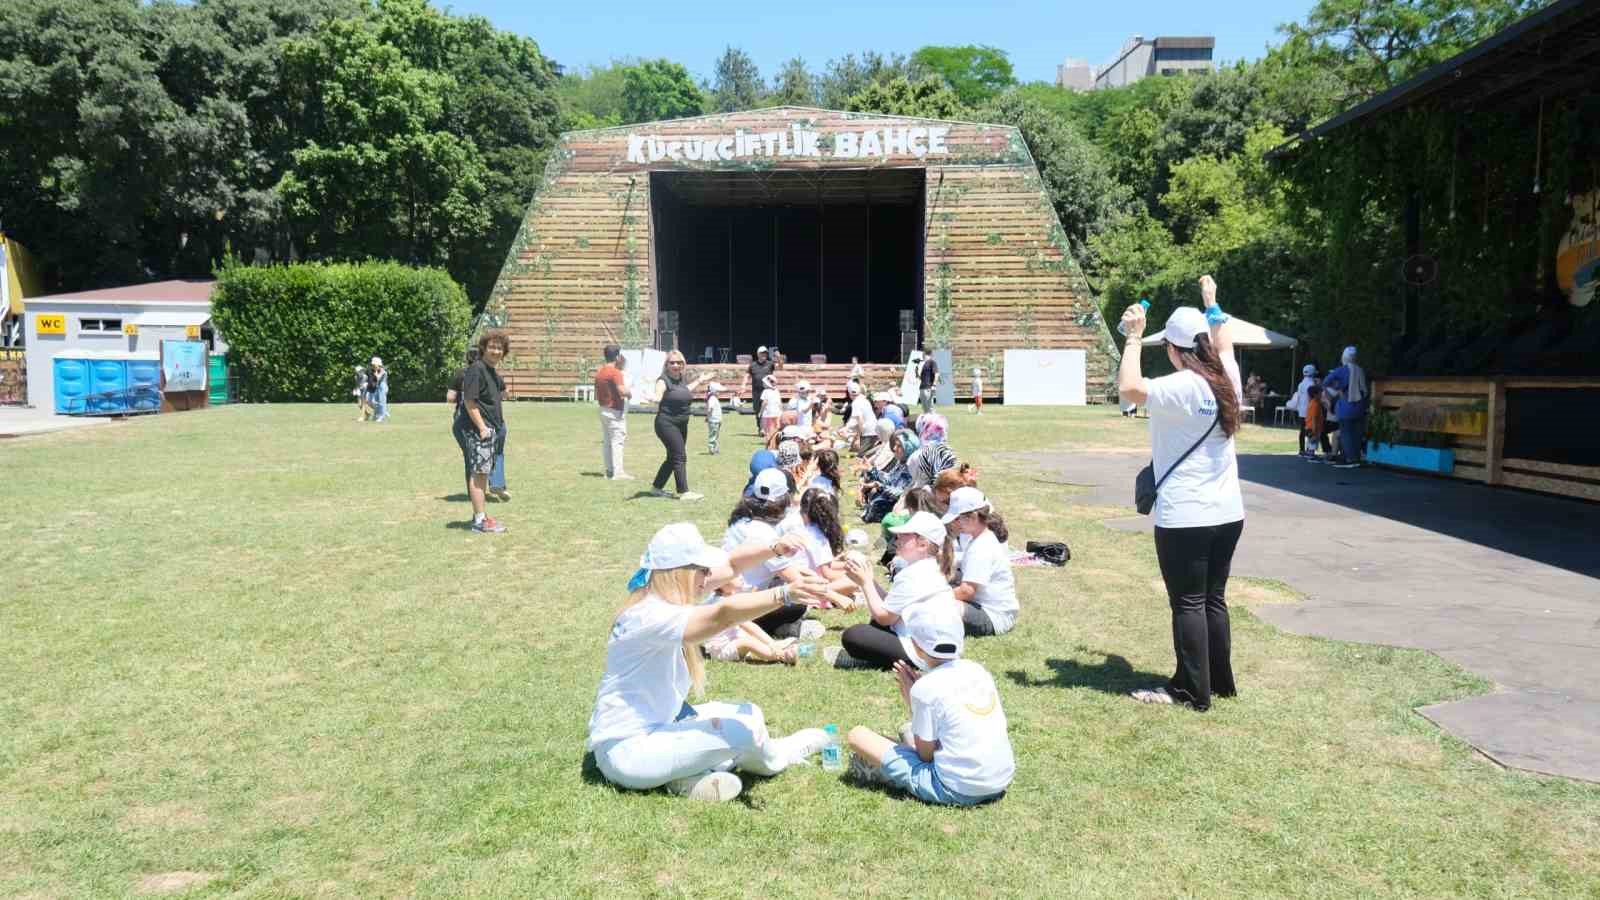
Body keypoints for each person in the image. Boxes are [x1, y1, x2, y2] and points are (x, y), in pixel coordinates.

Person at [586, 522, 832, 802]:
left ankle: (684, 778)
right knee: (743, 732)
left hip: (654, 731)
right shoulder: (650, 615)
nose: (708, 576)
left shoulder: (655, 595)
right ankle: (782, 755)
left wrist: (774, 548)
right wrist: (784, 593)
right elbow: (722, 615)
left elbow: (729, 565)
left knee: (747, 712)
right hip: (629, 752)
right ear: (681, 573)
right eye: (702, 570)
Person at [1116, 274, 1245, 712]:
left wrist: (1133, 338)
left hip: (1186, 514)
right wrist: (1212, 300)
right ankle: (1219, 681)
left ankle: (1191, 690)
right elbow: (1224, 341)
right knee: (1213, 599)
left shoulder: (1183, 386)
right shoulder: (1227, 374)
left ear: (1173, 350)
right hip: (1229, 511)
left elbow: (1129, 389)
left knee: (1187, 602)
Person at [845, 601, 1014, 806]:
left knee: (858, 736)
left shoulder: (925, 688)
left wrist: (912, 696)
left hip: (956, 789)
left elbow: (926, 756)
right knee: (908, 731)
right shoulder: (976, 669)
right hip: (999, 781)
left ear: (916, 645)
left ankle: (884, 772)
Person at [831, 511, 959, 670]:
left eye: (904, 535)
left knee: (853, 635)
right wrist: (868, 579)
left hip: (928, 655)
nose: (897, 539)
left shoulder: (914, 574)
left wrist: (865, 583)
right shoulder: (926, 567)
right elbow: (890, 604)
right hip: (939, 649)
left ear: (923, 544)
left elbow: (884, 618)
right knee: (874, 626)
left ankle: (887, 661)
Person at [723, 468, 830, 638]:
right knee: (797, 603)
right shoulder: (765, 533)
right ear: (784, 499)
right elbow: (796, 580)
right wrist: (835, 596)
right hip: (744, 605)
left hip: (729, 597)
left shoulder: (740, 520)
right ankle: (774, 628)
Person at [943, 488, 1019, 637]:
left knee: (938, 605)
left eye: (957, 518)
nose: (954, 523)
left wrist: (932, 596)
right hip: (984, 607)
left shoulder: (981, 548)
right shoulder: (980, 538)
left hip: (994, 616)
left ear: (973, 517)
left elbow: (967, 592)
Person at [460, 332, 511, 534]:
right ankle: (480, 521)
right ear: (483, 348)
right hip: (480, 430)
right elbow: (469, 401)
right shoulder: (476, 370)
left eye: (500, 348)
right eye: (492, 347)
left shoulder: (491, 372)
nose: (496, 351)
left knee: (482, 473)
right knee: (479, 474)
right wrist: (482, 427)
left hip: (491, 429)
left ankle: (481, 517)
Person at [650, 350, 711, 501]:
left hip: (681, 424)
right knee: (679, 456)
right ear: (666, 365)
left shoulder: (681, 380)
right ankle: (684, 492)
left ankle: (656, 488)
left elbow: (685, 390)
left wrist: (700, 380)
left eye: (679, 362)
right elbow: (658, 394)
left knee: (672, 457)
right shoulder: (663, 380)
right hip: (666, 423)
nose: (676, 365)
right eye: (672, 363)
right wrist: (654, 398)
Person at [449, 347, 508, 501]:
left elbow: (450, 397)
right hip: (493, 420)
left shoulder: (462, 374)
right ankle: (497, 483)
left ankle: (474, 492)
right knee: (497, 453)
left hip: (468, 420)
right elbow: (504, 394)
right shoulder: (492, 374)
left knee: (471, 457)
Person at [1323, 346, 1370, 469]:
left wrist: (1338, 388)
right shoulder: (1360, 370)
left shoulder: (1340, 370)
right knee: (1357, 433)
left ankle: (1350, 459)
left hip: (1345, 407)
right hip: (1361, 407)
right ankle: (1357, 458)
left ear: (1344, 357)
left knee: (1346, 433)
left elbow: (1326, 382)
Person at [594, 344, 632, 480]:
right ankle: (619, 472)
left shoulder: (600, 372)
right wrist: (629, 393)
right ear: (617, 356)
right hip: (615, 411)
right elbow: (622, 390)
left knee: (607, 442)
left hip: (603, 409)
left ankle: (609, 470)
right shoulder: (616, 373)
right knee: (618, 442)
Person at [1300, 384, 1333, 460]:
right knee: (1313, 442)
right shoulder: (1315, 404)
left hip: (1310, 426)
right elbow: (1314, 418)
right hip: (1313, 427)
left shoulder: (1314, 402)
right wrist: (1314, 430)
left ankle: (1309, 453)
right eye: (1320, 393)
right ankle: (1311, 455)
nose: (1322, 395)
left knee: (1311, 442)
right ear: (1315, 395)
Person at [758, 375, 783, 441]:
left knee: (768, 427)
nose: (763, 384)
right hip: (777, 412)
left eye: (764, 383)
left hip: (768, 413)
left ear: (767, 384)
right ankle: (776, 439)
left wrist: (761, 411)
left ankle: (768, 438)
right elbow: (779, 402)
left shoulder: (765, 391)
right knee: (776, 426)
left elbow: (765, 402)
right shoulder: (776, 391)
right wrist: (782, 411)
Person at [918, 347, 940, 414]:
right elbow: (921, 377)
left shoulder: (932, 362)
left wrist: (934, 385)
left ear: (925, 353)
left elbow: (936, 374)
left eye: (923, 353)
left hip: (928, 387)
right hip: (922, 387)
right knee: (924, 408)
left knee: (930, 407)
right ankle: (927, 421)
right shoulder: (923, 363)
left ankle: (934, 422)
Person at [705, 381, 724, 456]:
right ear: (715, 391)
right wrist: (708, 417)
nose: (720, 393)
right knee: (713, 435)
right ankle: (712, 449)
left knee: (716, 435)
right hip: (713, 420)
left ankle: (715, 448)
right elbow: (710, 409)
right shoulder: (712, 398)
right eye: (718, 392)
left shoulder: (715, 398)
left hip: (717, 420)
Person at [368, 357, 390, 422]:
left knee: (381, 402)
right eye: (372, 365)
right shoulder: (373, 371)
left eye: (374, 365)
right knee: (372, 402)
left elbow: (378, 378)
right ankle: (382, 412)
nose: (373, 366)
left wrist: (376, 375)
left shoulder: (383, 371)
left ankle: (381, 416)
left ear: (378, 365)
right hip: (377, 387)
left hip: (383, 387)